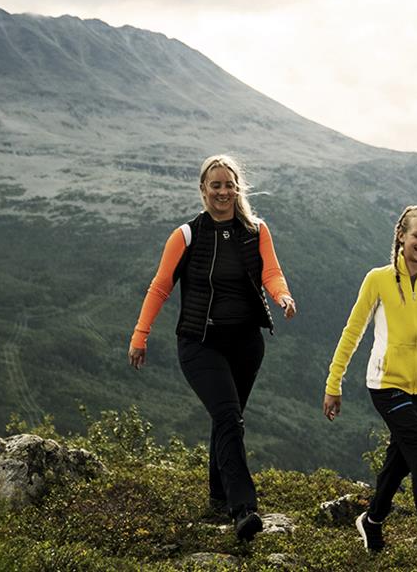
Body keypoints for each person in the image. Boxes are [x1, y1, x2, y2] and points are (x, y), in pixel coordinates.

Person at [127, 154, 297, 541]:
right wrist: (141, 334)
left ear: (238, 188)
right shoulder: (186, 236)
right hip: (199, 342)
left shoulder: (256, 230)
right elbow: (160, 286)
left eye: (228, 184)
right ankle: (244, 510)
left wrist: (282, 297)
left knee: (227, 419)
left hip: (246, 344)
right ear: (203, 189)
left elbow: (271, 272)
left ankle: (219, 498)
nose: (222, 191)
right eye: (215, 185)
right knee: (229, 417)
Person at [323, 203, 417, 572]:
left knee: (399, 462)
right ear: (401, 236)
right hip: (386, 384)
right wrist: (334, 383)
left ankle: (371, 520)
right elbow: (353, 332)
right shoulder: (377, 279)